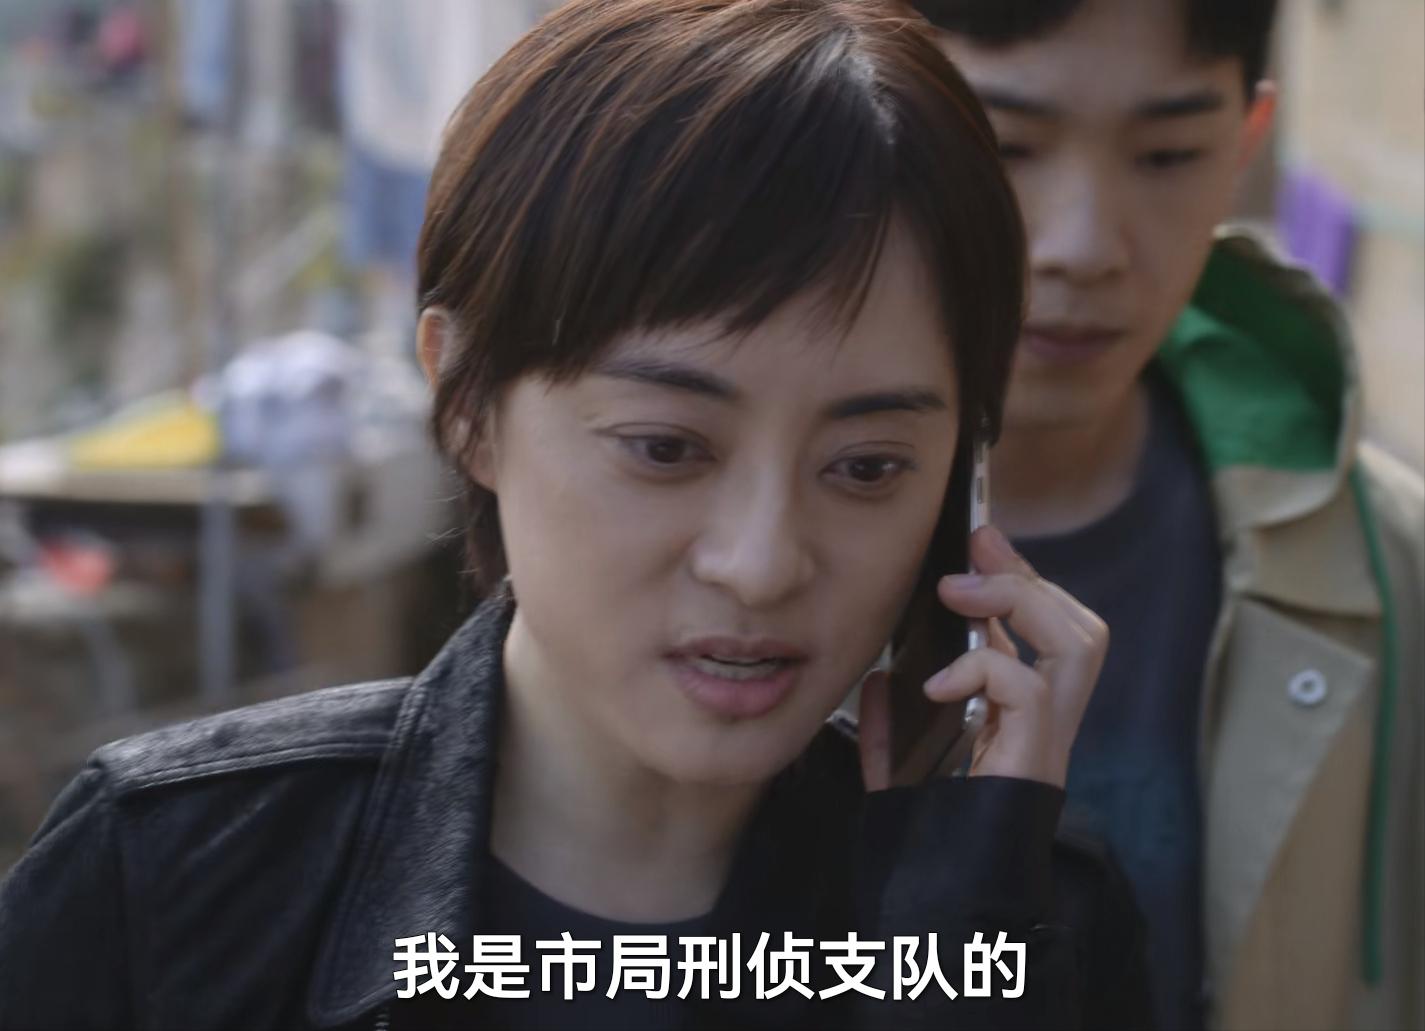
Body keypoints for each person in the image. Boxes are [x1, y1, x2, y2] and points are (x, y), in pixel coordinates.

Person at [0, 2, 1153, 1029]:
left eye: (866, 467)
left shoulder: (1027, 912)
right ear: (467, 400)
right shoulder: (172, 867)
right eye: (666, 447)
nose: (760, 563)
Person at [906, 1, 1425, 1029]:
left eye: (1167, 155)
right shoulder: (721, 552)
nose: (1083, 244)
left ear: (1245, 143)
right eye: (1006, 144)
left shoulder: (1388, 566)